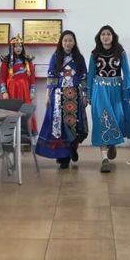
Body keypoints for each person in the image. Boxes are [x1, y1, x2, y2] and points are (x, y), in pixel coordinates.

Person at [87, 25, 130, 173]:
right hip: (99, 90)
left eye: (108, 34)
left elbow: (127, 73)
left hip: (117, 90)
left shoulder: (120, 52)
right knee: (102, 120)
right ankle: (104, 159)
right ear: (99, 37)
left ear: (113, 36)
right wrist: (88, 95)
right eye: (103, 34)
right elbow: (90, 74)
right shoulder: (94, 54)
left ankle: (112, 144)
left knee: (116, 119)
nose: (105, 36)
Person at [36, 30, 88, 169]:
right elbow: (51, 77)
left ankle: (72, 149)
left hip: (75, 96)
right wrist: (47, 96)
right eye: (65, 40)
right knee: (60, 126)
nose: (67, 43)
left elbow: (84, 77)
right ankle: (63, 156)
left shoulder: (79, 58)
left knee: (73, 125)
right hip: (58, 96)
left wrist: (85, 95)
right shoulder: (55, 57)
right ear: (61, 42)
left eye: (70, 40)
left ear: (74, 42)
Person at [0, 34, 37, 132]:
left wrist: (32, 91)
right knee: (11, 111)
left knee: (25, 110)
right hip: (11, 90)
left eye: (20, 46)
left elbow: (32, 77)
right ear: (12, 47)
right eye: (15, 46)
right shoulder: (6, 60)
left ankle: (26, 133)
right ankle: (10, 134)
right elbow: (2, 78)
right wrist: (4, 92)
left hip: (24, 90)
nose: (18, 48)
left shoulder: (27, 60)